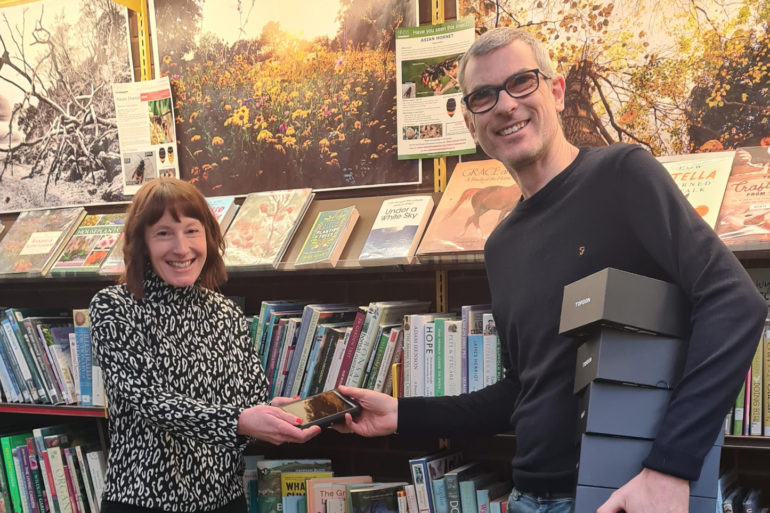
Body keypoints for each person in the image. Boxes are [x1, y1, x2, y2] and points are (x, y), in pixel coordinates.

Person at [336, 27, 766, 513]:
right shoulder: (501, 245)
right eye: (483, 96)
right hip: (527, 496)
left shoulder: (623, 175)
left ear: (556, 91)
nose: (505, 105)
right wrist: (403, 414)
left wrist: (672, 466)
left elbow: (735, 303)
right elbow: (524, 389)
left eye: (521, 82)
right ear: (470, 124)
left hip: (621, 496)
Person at [89, 177, 321, 513]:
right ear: (142, 243)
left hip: (225, 500)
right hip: (144, 502)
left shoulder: (224, 310)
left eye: (192, 230)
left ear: (209, 237)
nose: (182, 248)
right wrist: (241, 420)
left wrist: (272, 413)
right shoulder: (114, 306)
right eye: (164, 233)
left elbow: (247, 400)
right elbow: (150, 400)